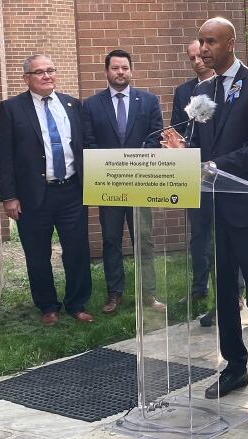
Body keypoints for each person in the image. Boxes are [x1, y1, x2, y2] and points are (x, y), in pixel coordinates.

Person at [161, 17, 248, 405]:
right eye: (201, 41)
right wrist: (184, 150)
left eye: (211, 41)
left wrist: (209, 167)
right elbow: (203, 143)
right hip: (214, 204)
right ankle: (234, 366)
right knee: (225, 290)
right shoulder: (202, 90)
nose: (204, 48)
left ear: (231, 43)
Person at [0, 54, 93, 325]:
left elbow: (85, 147)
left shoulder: (72, 104)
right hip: (34, 195)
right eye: (39, 72)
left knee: (76, 250)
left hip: (72, 190)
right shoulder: (12, 108)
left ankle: (77, 303)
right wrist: (9, 197)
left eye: (51, 70)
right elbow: (4, 156)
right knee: (38, 253)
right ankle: (48, 306)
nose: (47, 76)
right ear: (27, 78)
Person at [81, 49, 166, 314]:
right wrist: (111, 169)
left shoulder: (149, 101)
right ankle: (114, 294)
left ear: (131, 71)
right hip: (110, 186)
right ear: (106, 71)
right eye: (115, 68)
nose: (120, 72)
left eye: (125, 68)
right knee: (111, 239)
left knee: (144, 239)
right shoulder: (92, 105)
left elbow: (155, 137)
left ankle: (148, 294)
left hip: (141, 183)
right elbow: (89, 142)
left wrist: (134, 163)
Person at [170, 40, 245, 327]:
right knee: (201, 236)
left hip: (223, 177)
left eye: (201, 54)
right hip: (195, 177)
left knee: (223, 240)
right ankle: (202, 288)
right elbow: (183, 132)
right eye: (192, 57)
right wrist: (178, 146)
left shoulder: (233, 89)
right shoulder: (186, 92)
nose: (198, 60)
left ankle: (233, 295)